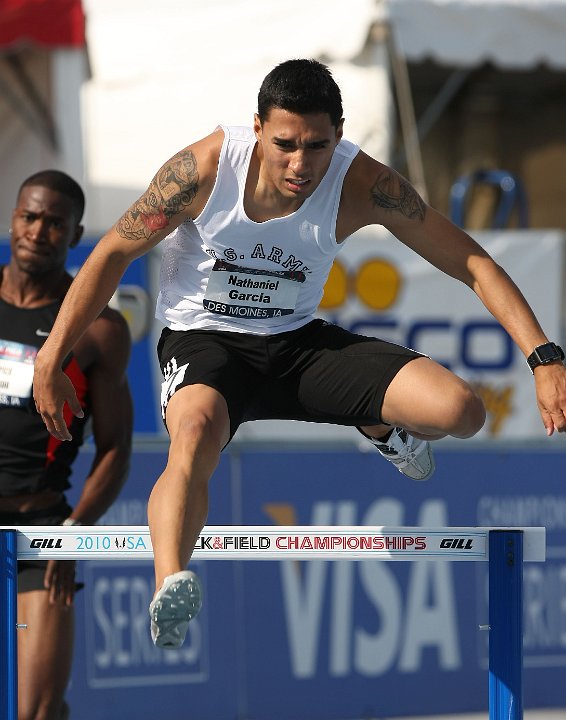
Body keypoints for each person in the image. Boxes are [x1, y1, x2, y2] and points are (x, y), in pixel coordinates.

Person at [33, 60, 566, 651]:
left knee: (461, 412)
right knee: (192, 440)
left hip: (296, 344)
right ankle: (170, 585)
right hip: (206, 343)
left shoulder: (363, 182)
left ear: (338, 134)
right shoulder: (205, 169)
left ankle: (377, 423)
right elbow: (110, 253)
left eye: (317, 146)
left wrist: (543, 357)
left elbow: (471, 261)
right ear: (256, 128)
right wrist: (51, 358)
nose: (299, 164)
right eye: (284, 144)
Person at [1, 170, 132, 719]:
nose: (38, 231)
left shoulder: (99, 330)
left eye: (55, 223)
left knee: (37, 710)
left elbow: (115, 449)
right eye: (29, 217)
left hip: (40, 536)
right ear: (13, 220)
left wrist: (73, 531)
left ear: (75, 234)